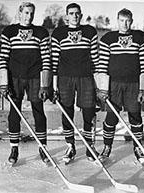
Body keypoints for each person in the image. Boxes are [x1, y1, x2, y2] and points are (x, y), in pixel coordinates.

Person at [0, 2, 51, 164]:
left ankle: (42, 148)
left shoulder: (40, 32)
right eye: (26, 13)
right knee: (14, 113)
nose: (29, 16)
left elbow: (46, 59)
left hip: (35, 78)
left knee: (38, 111)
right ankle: (14, 147)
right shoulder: (10, 31)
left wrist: (45, 84)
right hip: (15, 79)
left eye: (32, 13)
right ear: (20, 13)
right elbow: (3, 58)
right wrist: (3, 82)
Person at [95, 8, 144, 164]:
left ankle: (137, 147)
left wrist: (143, 88)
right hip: (114, 85)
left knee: (135, 116)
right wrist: (102, 88)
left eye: (127, 20)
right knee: (111, 117)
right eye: (121, 20)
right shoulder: (108, 38)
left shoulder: (140, 37)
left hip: (133, 84)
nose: (125, 24)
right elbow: (102, 65)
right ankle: (107, 147)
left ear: (131, 21)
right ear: (117, 20)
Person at [51, 3, 99, 163]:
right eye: (71, 13)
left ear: (81, 14)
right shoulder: (59, 33)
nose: (74, 16)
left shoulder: (89, 31)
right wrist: (53, 85)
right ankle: (70, 146)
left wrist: (99, 84)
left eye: (77, 13)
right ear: (67, 16)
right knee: (66, 111)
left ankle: (89, 146)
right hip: (65, 78)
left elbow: (96, 59)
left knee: (89, 111)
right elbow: (54, 61)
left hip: (85, 77)